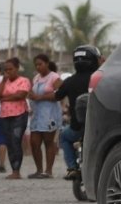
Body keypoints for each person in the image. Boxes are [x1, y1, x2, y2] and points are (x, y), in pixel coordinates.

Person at [43, 45, 100, 181]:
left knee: (64, 137)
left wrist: (39, 96)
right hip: (99, 127)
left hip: (77, 127)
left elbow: (57, 96)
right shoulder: (100, 79)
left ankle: (72, 168)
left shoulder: (70, 81)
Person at [0, 58, 30, 179]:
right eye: (6, 70)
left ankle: (16, 171)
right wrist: (3, 82)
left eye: (11, 69)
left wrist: (4, 99)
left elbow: (21, 95)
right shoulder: (3, 82)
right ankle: (14, 169)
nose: (8, 72)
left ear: (17, 68)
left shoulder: (23, 80)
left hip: (19, 114)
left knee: (16, 141)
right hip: (4, 115)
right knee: (9, 142)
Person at [26, 54, 62, 179]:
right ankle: (39, 170)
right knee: (34, 142)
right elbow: (32, 93)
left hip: (49, 114)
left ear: (47, 63)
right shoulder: (36, 78)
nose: (38, 67)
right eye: (36, 65)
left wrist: (40, 97)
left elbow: (59, 94)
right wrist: (30, 95)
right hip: (37, 114)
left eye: (40, 64)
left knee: (48, 141)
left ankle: (48, 171)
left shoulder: (54, 77)